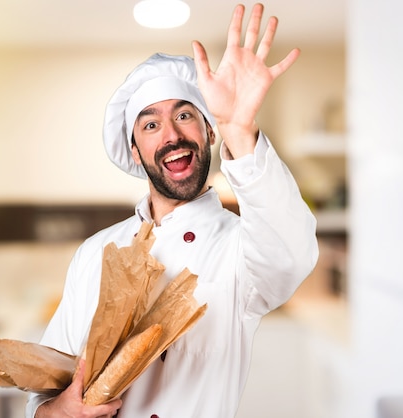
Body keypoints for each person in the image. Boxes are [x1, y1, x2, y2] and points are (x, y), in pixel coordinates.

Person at [28, 3, 319, 417]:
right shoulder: (94, 253)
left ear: (209, 131)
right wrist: (56, 412)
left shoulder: (238, 248)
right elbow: (43, 390)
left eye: (184, 115)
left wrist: (240, 127)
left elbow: (291, 255)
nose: (171, 135)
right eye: (150, 125)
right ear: (135, 151)